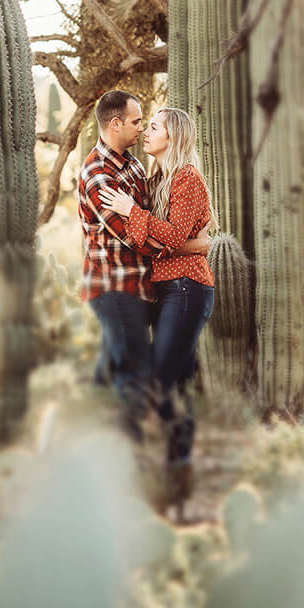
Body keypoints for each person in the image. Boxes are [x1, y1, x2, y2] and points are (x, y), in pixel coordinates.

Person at [102, 107, 215, 500]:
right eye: (145, 126)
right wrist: (193, 244)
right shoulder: (159, 179)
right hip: (168, 288)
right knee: (176, 381)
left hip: (187, 288)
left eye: (153, 127)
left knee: (162, 378)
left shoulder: (187, 179)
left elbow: (166, 236)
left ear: (174, 136)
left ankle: (158, 470)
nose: (146, 132)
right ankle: (177, 471)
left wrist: (130, 212)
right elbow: (163, 240)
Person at [79, 90, 155, 441]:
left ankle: (84, 436)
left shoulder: (134, 165)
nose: (141, 128)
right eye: (137, 121)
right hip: (113, 285)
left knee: (110, 365)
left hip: (136, 286)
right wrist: (182, 243)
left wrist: (143, 218)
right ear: (116, 123)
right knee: (132, 366)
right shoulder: (97, 173)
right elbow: (135, 237)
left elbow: (149, 219)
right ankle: (130, 452)